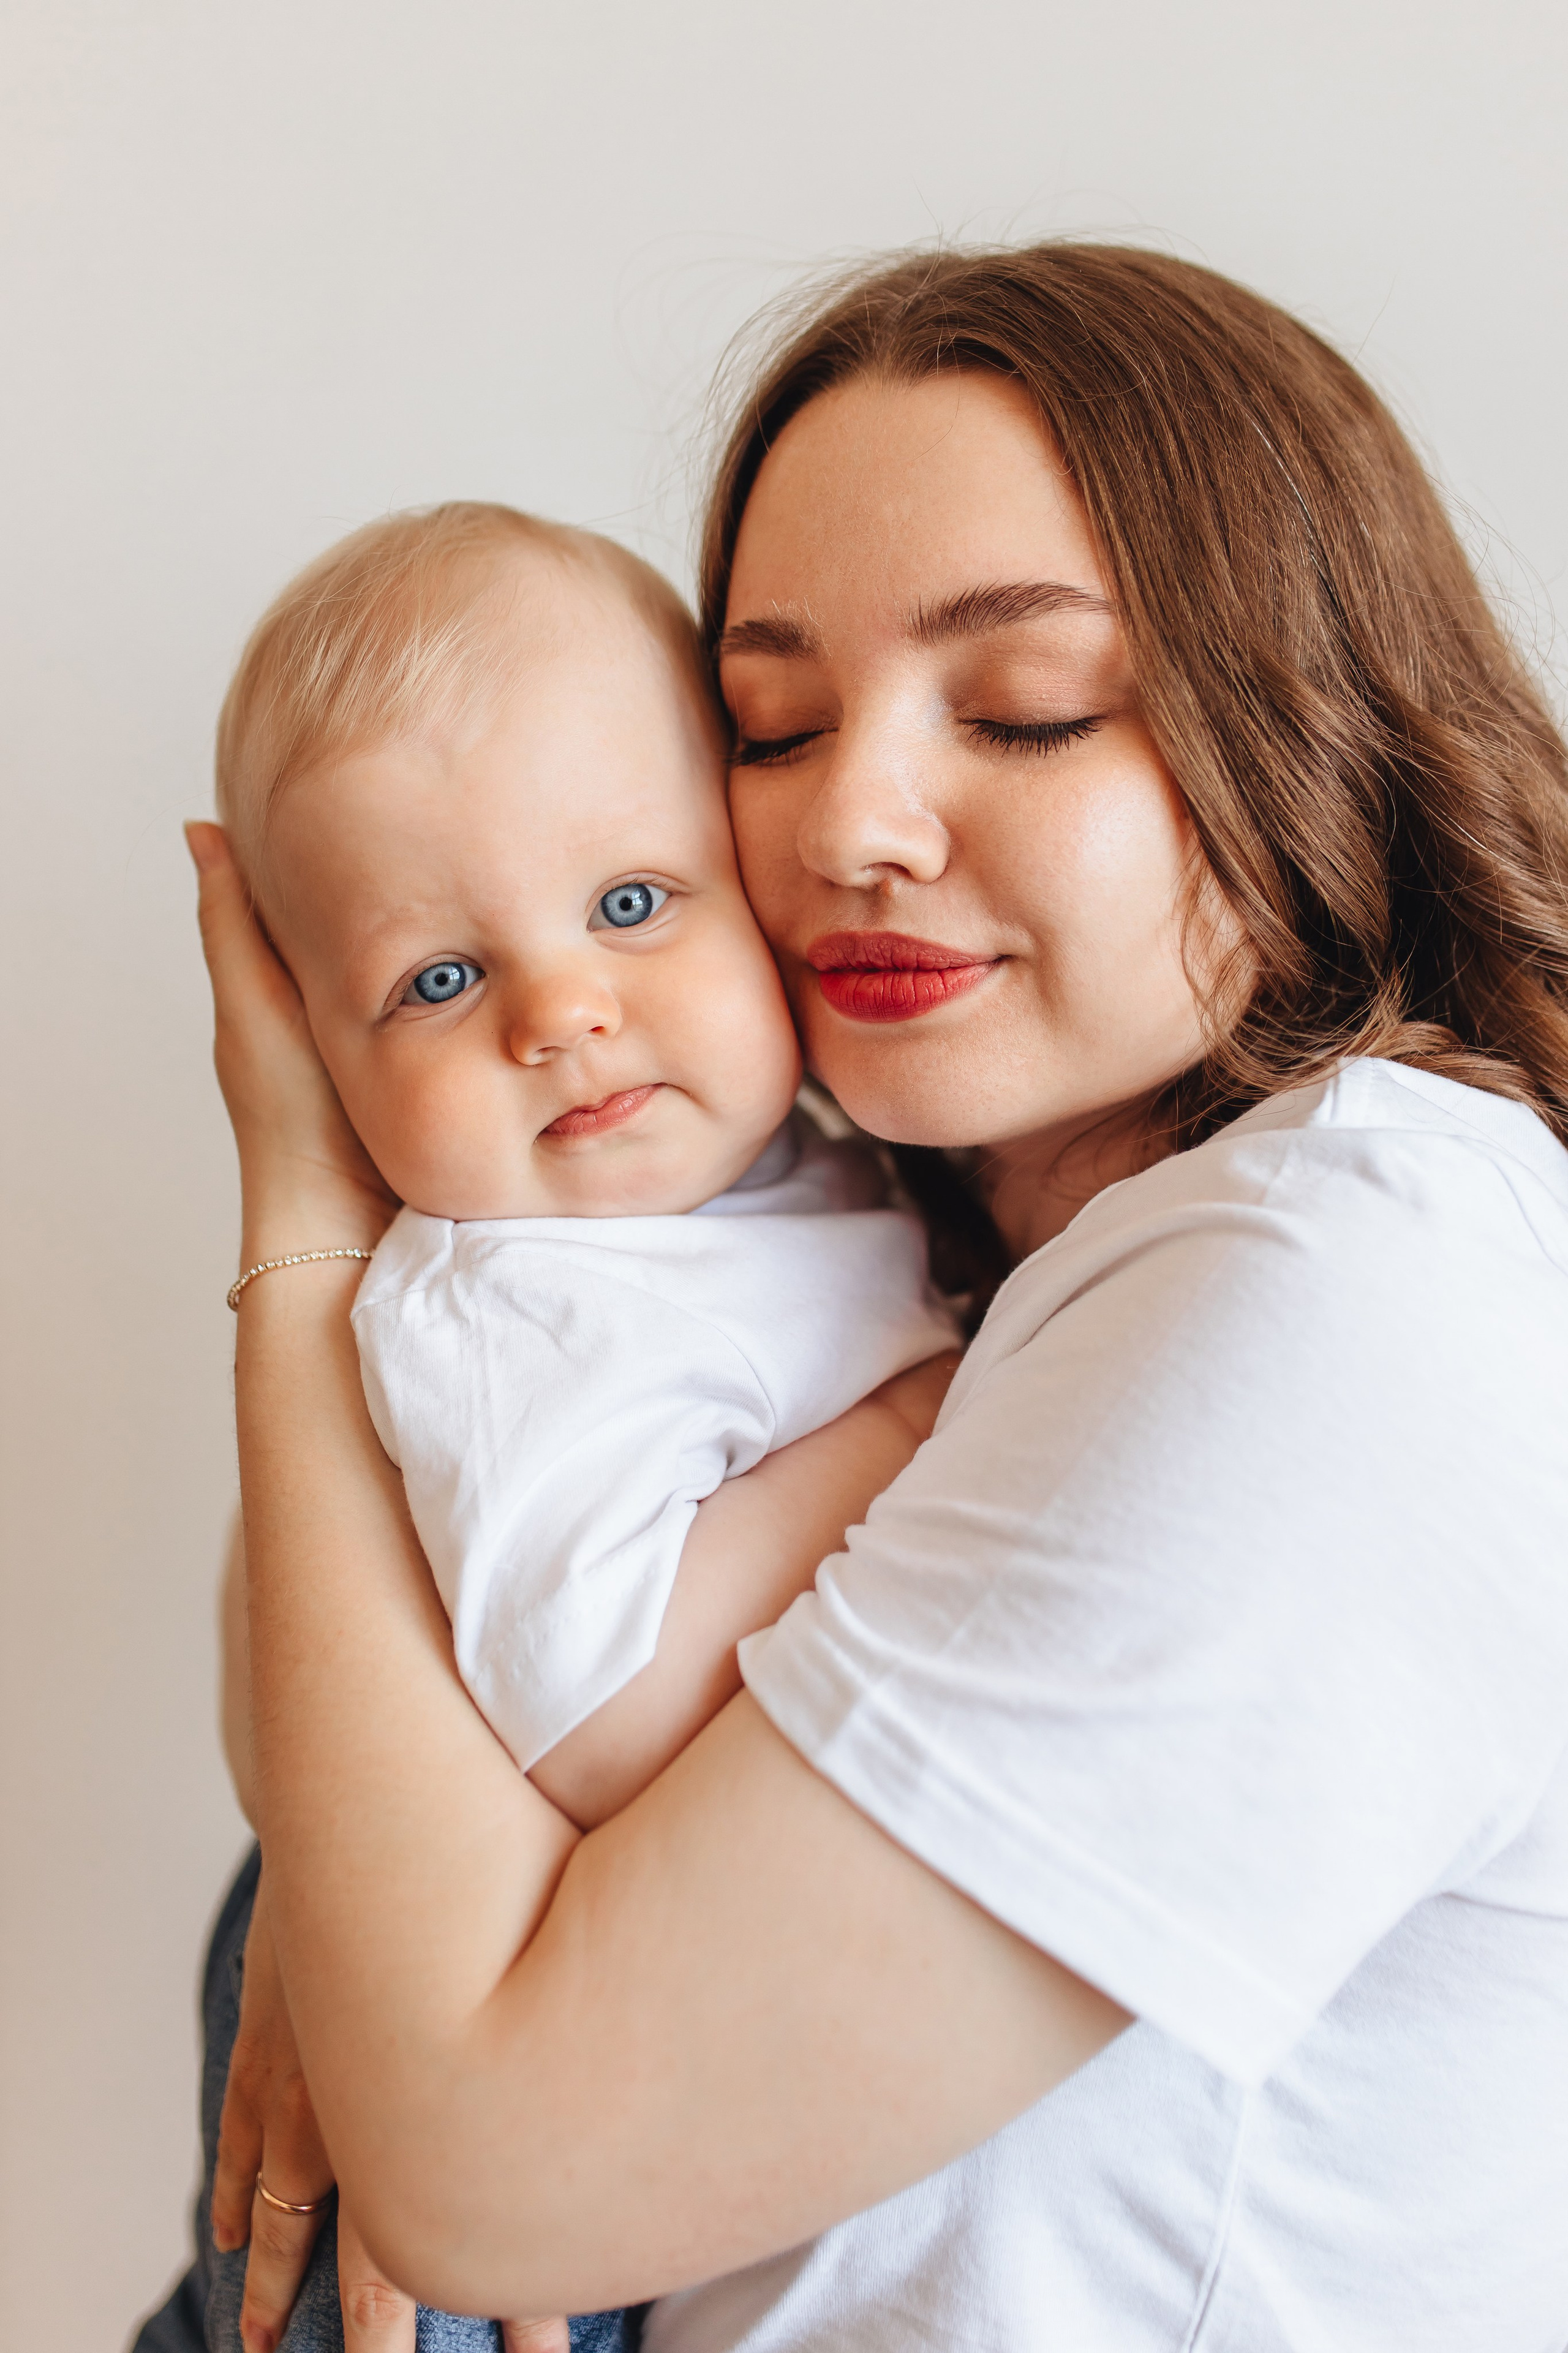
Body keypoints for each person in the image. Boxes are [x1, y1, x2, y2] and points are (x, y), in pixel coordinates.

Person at [185, 243, 1568, 2350]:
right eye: (774, 724)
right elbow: (339, 1690)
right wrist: (359, 1867)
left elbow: (487, 2167)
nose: (849, 819)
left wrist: (298, 1242)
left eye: (1021, 710)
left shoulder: (1350, 1282)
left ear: (1307, 711)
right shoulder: (889, 1223)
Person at [138, 504, 957, 2352]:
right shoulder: (518, 1314)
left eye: (631, 903)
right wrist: (918, 1427)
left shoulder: (802, 1173)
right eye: (437, 980)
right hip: (478, 2118)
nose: (562, 1012)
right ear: (323, 1076)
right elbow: (597, 1721)